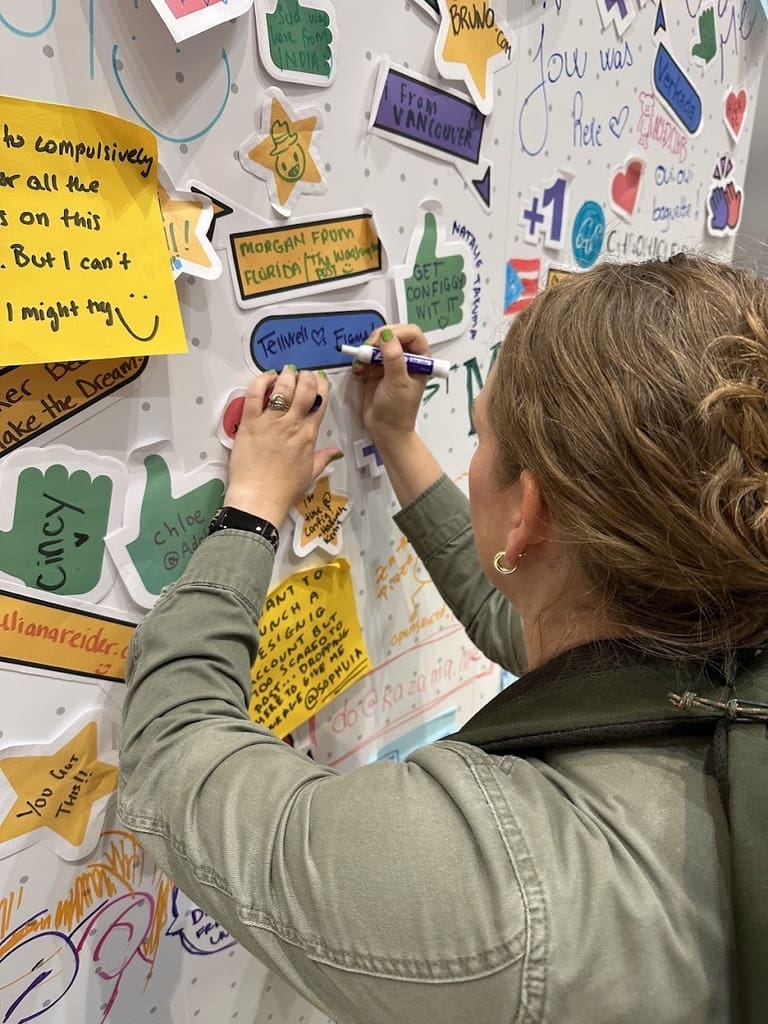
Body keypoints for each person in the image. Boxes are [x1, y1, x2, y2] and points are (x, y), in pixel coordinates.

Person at [118, 255, 768, 1024]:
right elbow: (531, 622)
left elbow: (174, 752)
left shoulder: (504, 893)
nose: (474, 452)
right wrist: (395, 437)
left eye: (481, 434)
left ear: (527, 513)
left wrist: (251, 508)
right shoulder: (710, 637)